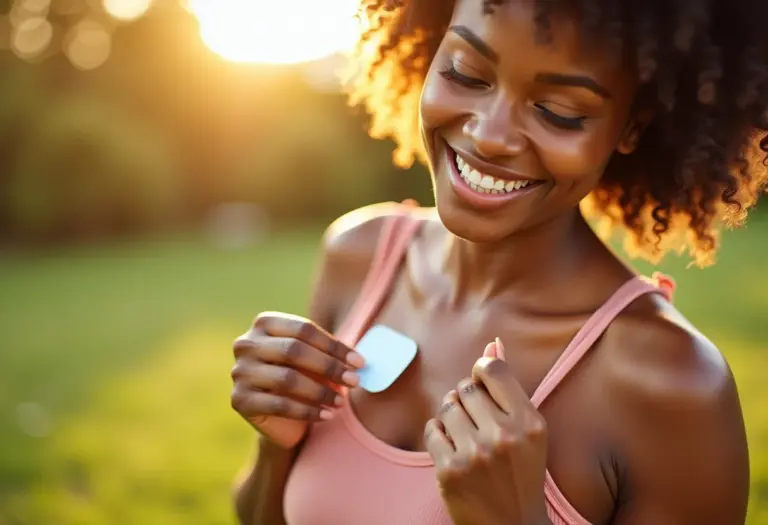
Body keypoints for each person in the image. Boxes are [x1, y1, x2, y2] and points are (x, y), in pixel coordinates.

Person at [229, 0, 767, 523]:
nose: (488, 135)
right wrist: (278, 442)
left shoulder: (671, 386)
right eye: (465, 73)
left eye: (559, 111)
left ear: (630, 127)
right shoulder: (359, 256)